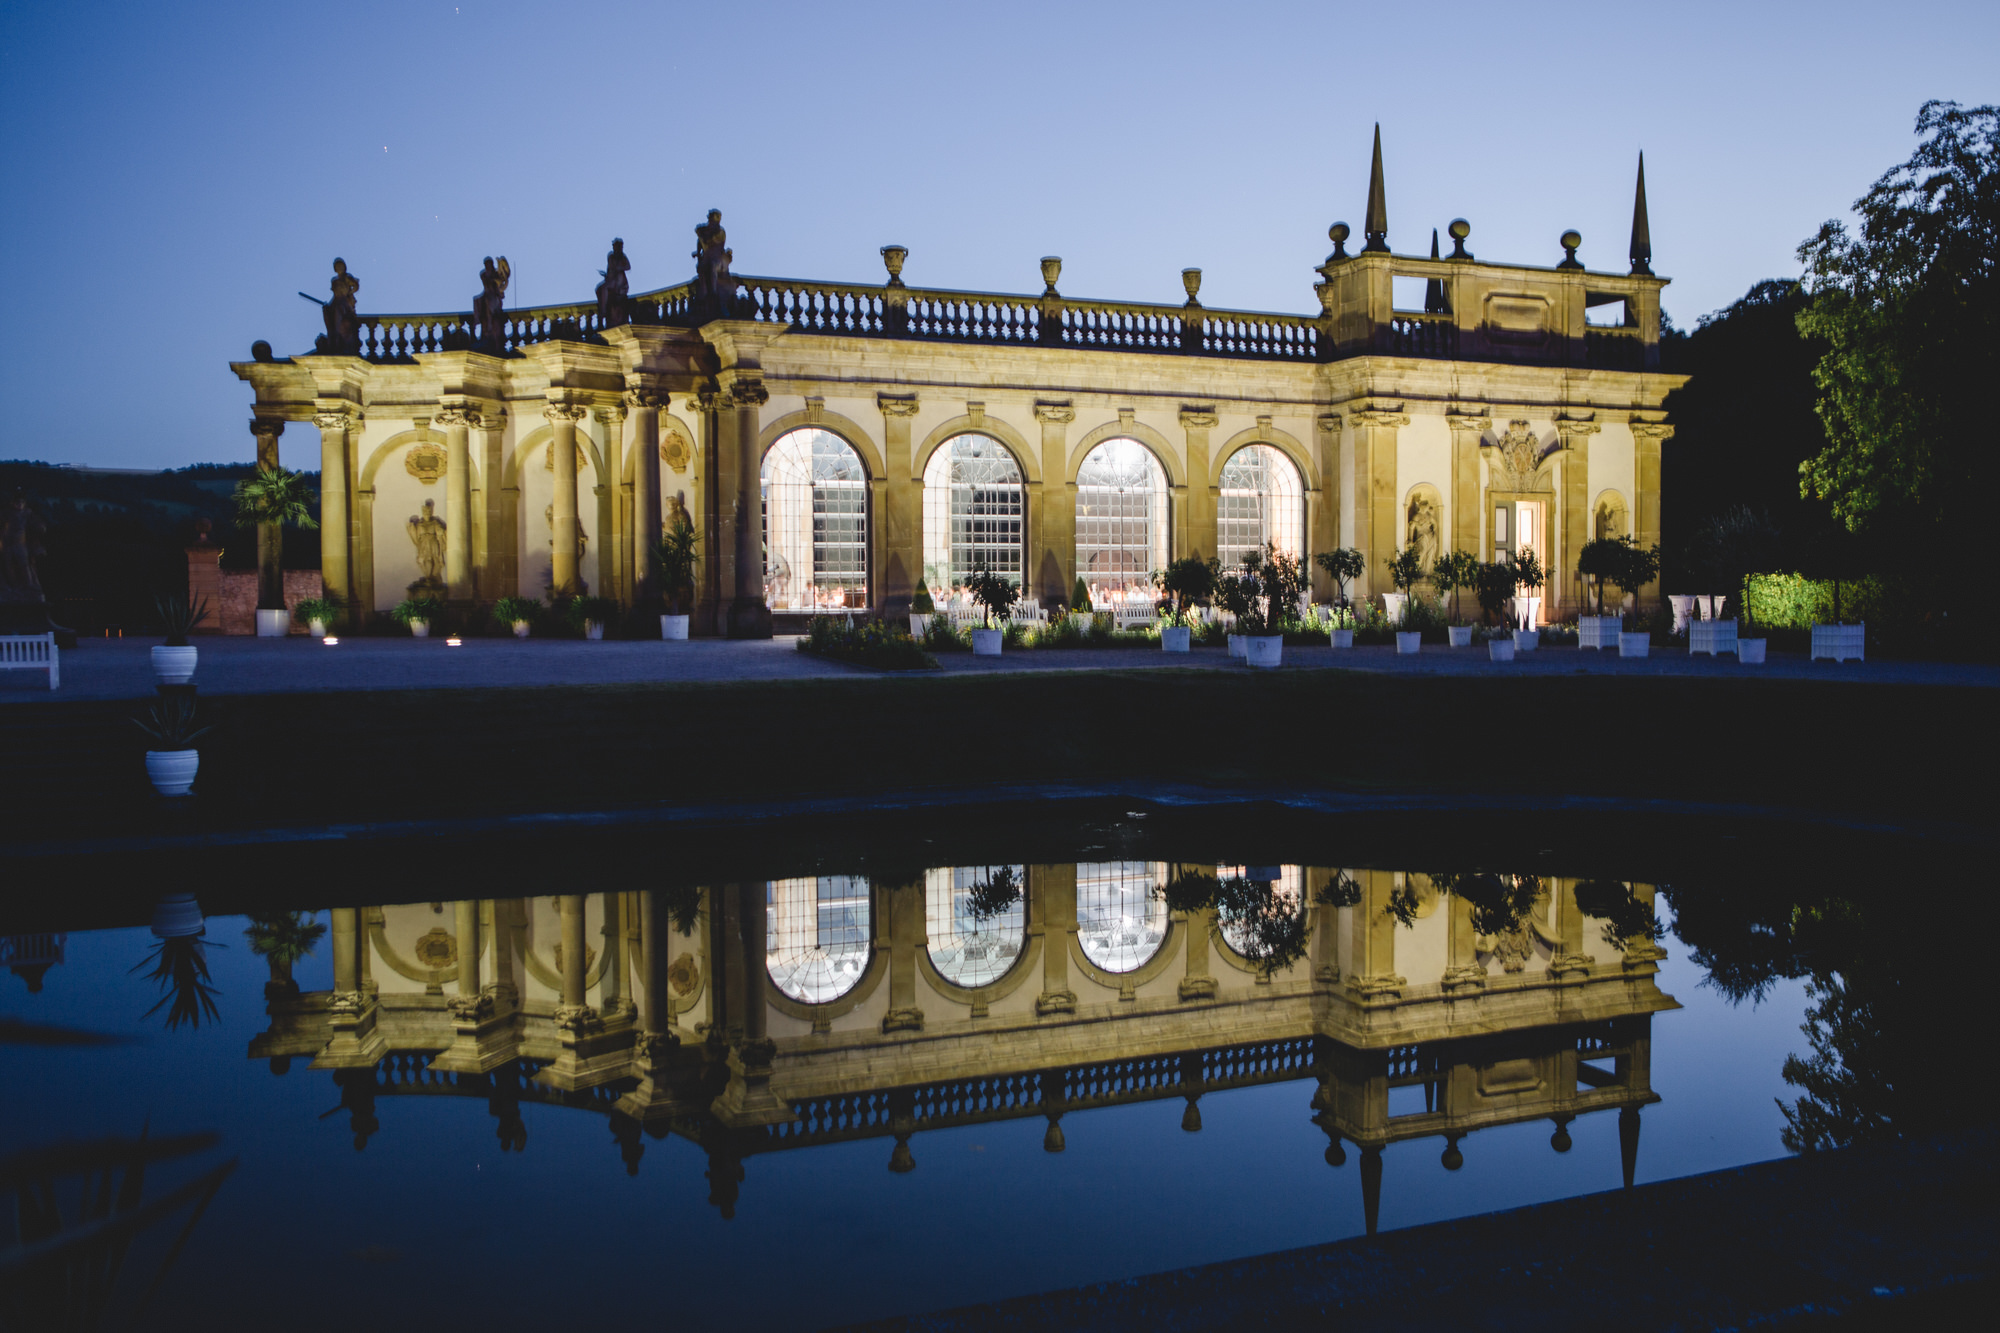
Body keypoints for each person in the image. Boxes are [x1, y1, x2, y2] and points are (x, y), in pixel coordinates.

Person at [324, 259, 360, 354]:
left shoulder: (347, 277)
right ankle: (333, 336)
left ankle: (337, 335)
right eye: (337, 267)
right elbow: (334, 295)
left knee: (338, 313)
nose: (339, 268)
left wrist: (350, 292)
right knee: (328, 312)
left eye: (341, 266)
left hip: (343, 303)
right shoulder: (334, 280)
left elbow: (356, 286)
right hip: (336, 301)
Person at [596, 238, 630, 326]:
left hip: (619, 280)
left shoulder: (622, 256)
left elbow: (628, 266)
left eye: (619, 246)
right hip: (612, 279)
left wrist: (618, 268)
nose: (618, 248)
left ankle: (603, 311)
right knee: (599, 289)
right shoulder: (611, 256)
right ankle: (602, 308)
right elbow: (612, 267)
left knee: (604, 288)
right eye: (616, 246)